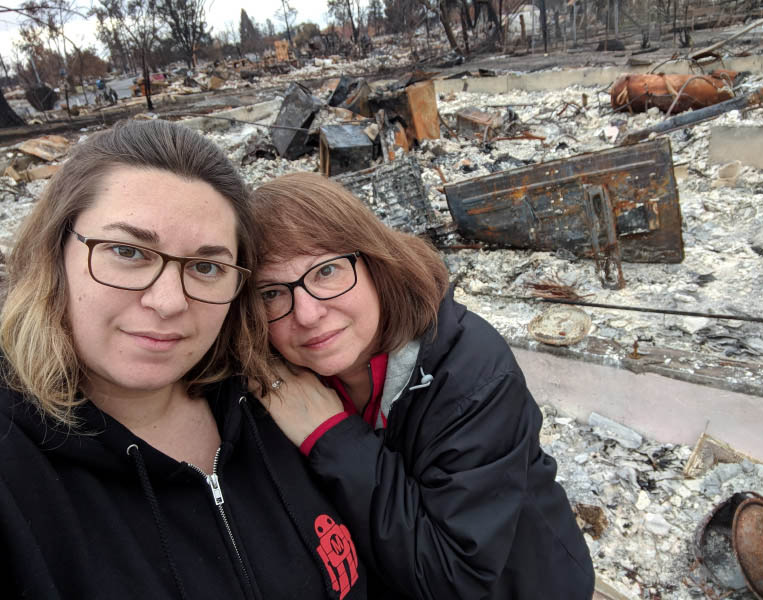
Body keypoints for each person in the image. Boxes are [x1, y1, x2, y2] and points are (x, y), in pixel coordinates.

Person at [0, 121, 367, 600]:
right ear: (55, 252)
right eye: (128, 252)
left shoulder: (279, 397)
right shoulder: (14, 470)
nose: (169, 301)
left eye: (206, 266)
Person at [250, 173, 595, 600]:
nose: (306, 313)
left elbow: (455, 576)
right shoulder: (279, 378)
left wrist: (333, 438)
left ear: (374, 262)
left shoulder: (472, 374)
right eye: (271, 293)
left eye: (327, 271)